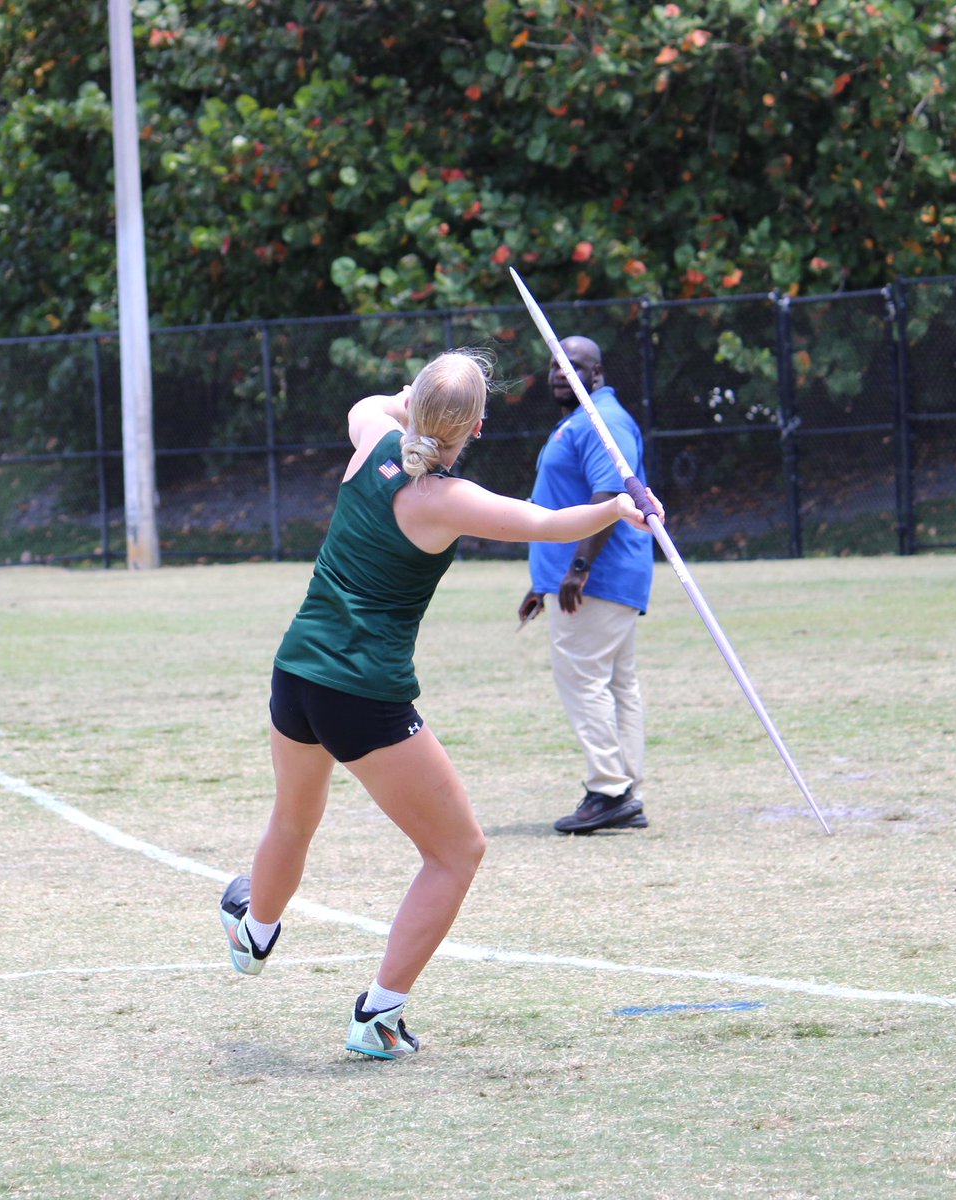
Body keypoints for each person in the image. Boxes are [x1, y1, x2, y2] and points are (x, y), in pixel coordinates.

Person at [219, 347, 662, 1060]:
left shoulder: (372, 439)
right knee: (456, 851)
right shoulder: (446, 499)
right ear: (477, 427)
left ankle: (254, 932)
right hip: (362, 694)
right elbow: (547, 522)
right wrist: (621, 505)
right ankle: (378, 1017)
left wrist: (410, 402)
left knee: (293, 820)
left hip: (296, 672)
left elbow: (369, 406)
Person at [517, 336, 655, 835]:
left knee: (584, 679)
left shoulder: (603, 420)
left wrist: (578, 568)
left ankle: (609, 789)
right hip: (586, 577)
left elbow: (611, 495)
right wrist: (543, 582)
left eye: (571, 365)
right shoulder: (579, 420)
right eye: (554, 364)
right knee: (617, 683)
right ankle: (624, 788)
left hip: (598, 578)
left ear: (595, 372)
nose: (559, 372)